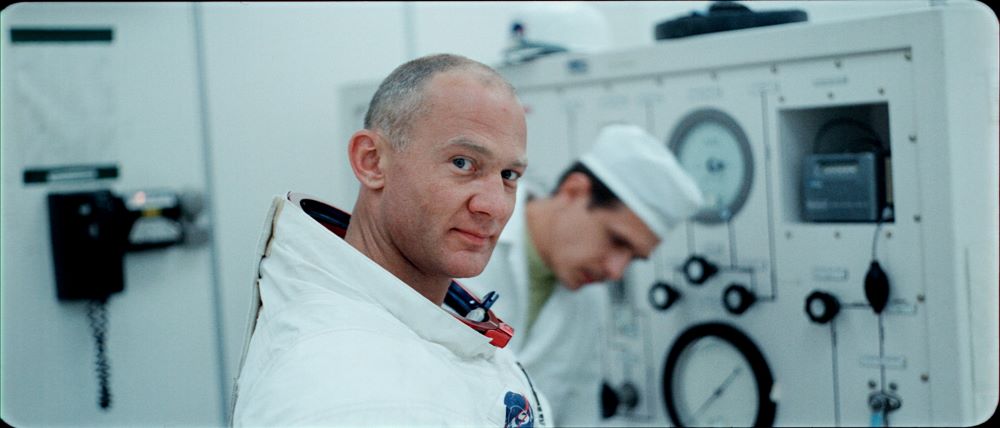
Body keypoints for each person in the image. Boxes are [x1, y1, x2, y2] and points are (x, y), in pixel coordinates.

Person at [230, 53, 552, 427]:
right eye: (462, 163)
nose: (495, 205)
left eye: (509, 174)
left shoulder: (420, 323)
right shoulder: (341, 389)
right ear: (372, 161)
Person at [460, 123, 704, 426]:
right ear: (574, 191)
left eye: (633, 258)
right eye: (617, 240)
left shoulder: (589, 300)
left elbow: (580, 414)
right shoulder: (465, 242)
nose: (616, 271)